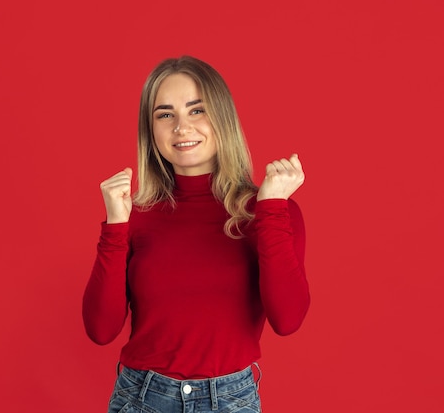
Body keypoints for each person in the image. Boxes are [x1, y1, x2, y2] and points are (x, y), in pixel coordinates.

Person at [82, 55, 310, 413]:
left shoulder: (270, 212)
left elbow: (288, 319)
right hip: (140, 397)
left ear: (223, 117)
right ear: (150, 129)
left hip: (230, 400)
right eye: (165, 114)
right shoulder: (134, 214)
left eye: (197, 110)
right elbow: (100, 329)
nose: (181, 128)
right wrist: (114, 227)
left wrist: (270, 209)